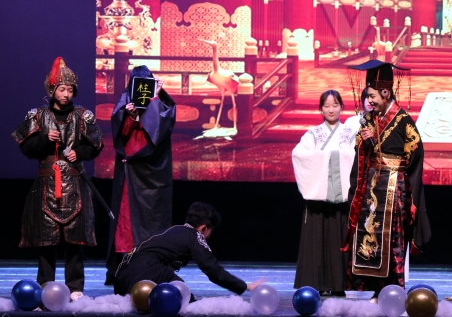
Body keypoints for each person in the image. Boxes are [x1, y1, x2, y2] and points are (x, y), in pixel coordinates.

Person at [11, 57, 104, 300]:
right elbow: (26, 148)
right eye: (62, 89)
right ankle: (45, 285)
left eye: (70, 90)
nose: (66, 94)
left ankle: (75, 288)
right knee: (46, 240)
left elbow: (96, 145)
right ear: (52, 90)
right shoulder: (38, 115)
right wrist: (44, 139)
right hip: (46, 185)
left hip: (75, 183)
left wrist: (80, 153)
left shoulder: (83, 116)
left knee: (75, 240)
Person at [342, 60, 431, 299]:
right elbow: (361, 152)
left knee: (392, 239)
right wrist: (366, 142)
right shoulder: (370, 119)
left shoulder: (404, 121)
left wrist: (402, 182)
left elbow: (414, 155)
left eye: (372, 96)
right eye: (368, 97)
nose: (369, 101)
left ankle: (391, 290)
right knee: (369, 231)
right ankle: (373, 289)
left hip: (394, 187)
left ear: (385, 93)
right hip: (372, 186)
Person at [105, 65, 176, 285]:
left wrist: (154, 99)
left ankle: (152, 268)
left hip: (152, 178)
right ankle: (124, 270)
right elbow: (120, 134)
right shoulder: (125, 102)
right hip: (131, 173)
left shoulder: (163, 104)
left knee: (152, 224)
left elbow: (158, 132)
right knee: (126, 223)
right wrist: (130, 116)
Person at [114, 202, 263, 298]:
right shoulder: (194, 235)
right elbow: (212, 269)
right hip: (147, 270)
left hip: (122, 276)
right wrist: (244, 286)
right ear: (203, 228)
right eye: (210, 231)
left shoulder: (174, 231)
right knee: (185, 301)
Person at [292, 90, 356, 296]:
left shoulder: (350, 133)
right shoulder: (312, 134)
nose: (331, 109)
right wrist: (330, 157)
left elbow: (355, 157)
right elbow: (298, 154)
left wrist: (327, 156)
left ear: (342, 107)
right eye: (327, 106)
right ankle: (316, 285)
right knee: (316, 241)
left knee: (339, 240)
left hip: (342, 198)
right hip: (318, 197)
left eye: (335, 105)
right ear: (320, 109)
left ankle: (338, 286)